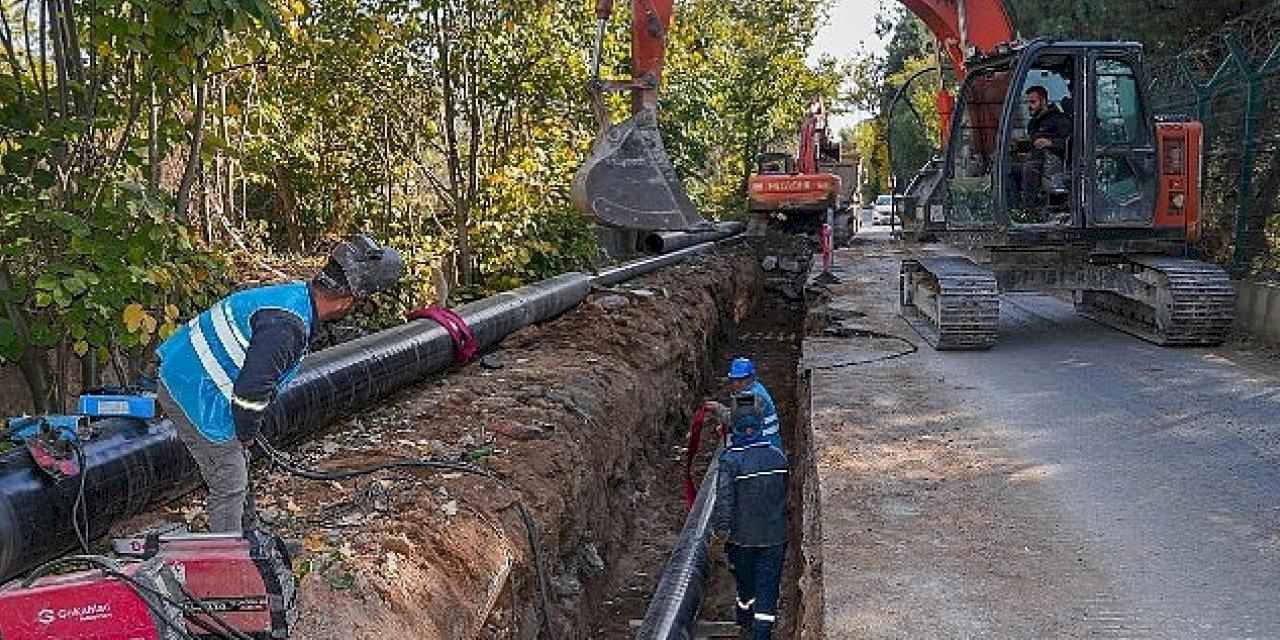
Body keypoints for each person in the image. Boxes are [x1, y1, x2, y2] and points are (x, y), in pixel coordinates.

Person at [154, 234, 404, 533]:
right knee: (230, 479)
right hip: (194, 390)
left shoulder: (294, 298)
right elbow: (250, 393)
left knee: (237, 465)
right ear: (347, 301)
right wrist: (245, 433)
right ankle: (226, 561)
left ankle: (247, 537)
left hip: (185, 370)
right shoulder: (287, 327)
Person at [711, 388, 789, 640]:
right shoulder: (778, 457)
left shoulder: (730, 461)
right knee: (768, 588)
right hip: (775, 537)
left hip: (742, 540)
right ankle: (761, 632)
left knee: (746, 585)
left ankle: (745, 620)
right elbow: (784, 495)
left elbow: (724, 503)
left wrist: (719, 535)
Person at [1010, 85, 1073, 212]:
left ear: (1043, 101)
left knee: (1030, 168)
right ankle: (1013, 208)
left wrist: (1050, 142)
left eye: (1033, 102)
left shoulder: (1059, 120)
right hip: (1036, 158)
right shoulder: (1033, 123)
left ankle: (1029, 209)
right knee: (1008, 169)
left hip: (1052, 163)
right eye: (1028, 102)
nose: (1029, 106)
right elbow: (1033, 142)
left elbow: (1071, 143)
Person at [703, 357, 782, 448]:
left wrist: (718, 409)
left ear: (751, 377)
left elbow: (735, 419)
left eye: (741, 380)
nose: (736, 384)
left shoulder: (751, 397)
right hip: (765, 440)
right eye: (734, 380)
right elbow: (742, 415)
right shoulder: (757, 388)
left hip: (763, 444)